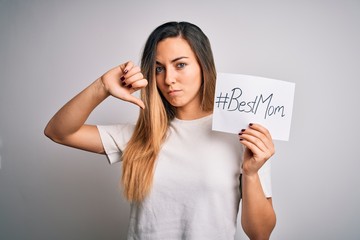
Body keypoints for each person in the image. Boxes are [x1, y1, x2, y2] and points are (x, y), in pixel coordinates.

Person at [44, 21, 276, 240]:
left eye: (180, 65)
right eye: (158, 68)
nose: (168, 79)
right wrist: (103, 86)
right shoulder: (141, 135)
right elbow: (58, 132)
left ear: (203, 66)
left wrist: (251, 173)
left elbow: (260, 235)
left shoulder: (242, 135)